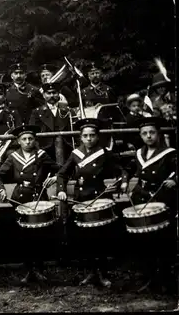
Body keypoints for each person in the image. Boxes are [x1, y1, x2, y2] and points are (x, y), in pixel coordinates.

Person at [56, 118, 128, 288]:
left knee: (101, 237)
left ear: (97, 137)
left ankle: (102, 272)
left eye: (92, 135)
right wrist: (61, 190)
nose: (89, 139)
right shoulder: (75, 154)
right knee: (84, 238)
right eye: (85, 136)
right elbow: (62, 174)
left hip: (100, 198)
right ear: (80, 137)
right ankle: (91, 272)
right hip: (82, 200)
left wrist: (121, 183)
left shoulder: (104, 153)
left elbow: (122, 170)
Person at [0, 124, 60, 284]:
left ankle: (39, 268)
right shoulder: (13, 157)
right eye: (24, 139)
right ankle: (29, 269)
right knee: (24, 235)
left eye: (30, 139)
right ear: (19, 141)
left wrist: (56, 177)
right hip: (20, 198)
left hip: (38, 197)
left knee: (39, 234)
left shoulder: (42, 155)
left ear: (35, 140)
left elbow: (61, 169)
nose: (28, 142)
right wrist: (1, 190)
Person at [125, 116, 177, 294]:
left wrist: (175, 180)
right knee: (144, 240)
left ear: (158, 134)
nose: (148, 136)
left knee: (163, 239)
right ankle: (149, 278)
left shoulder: (169, 153)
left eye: (152, 133)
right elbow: (129, 169)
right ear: (140, 135)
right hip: (142, 198)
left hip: (162, 197)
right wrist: (125, 181)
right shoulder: (139, 153)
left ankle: (165, 278)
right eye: (144, 133)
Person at [29, 82, 73, 163]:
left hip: (67, 146)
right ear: (44, 95)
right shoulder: (37, 112)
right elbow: (32, 131)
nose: (52, 95)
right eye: (48, 93)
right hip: (45, 147)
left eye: (54, 92)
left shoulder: (68, 110)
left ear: (59, 94)